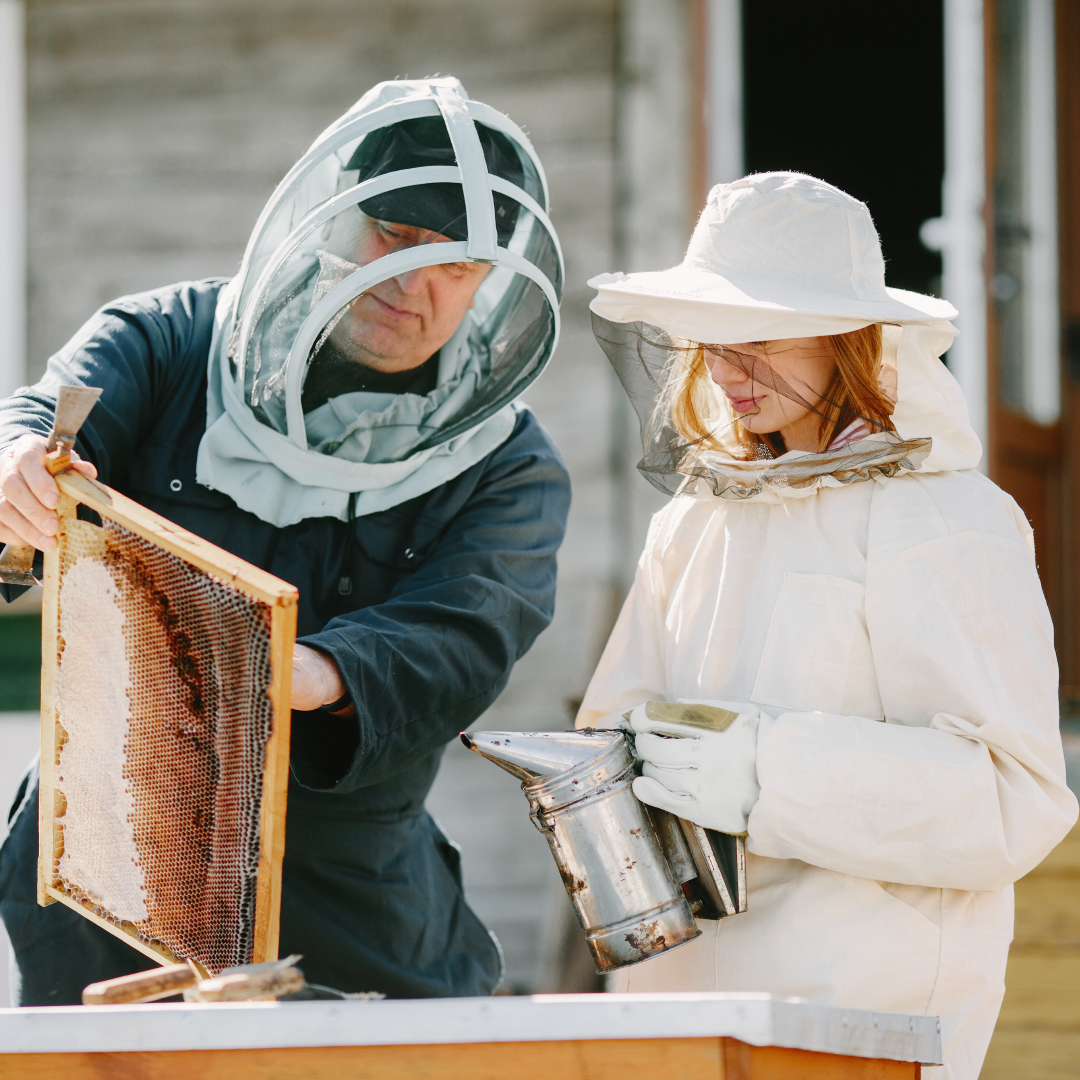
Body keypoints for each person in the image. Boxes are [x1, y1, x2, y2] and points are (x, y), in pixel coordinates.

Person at [0, 77, 570, 1004]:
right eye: (394, 235)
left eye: (454, 266)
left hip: (354, 902)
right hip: (105, 866)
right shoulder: (164, 343)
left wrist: (299, 670)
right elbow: (38, 425)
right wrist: (15, 461)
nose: (411, 283)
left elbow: (465, 635)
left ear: (494, 281)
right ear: (335, 216)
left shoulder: (510, 465)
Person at [577, 172, 1078, 1079]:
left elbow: (1015, 799)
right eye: (710, 342)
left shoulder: (945, 521)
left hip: (861, 1014)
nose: (725, 372)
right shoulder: (693, 520)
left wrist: (769, 772)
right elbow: (616, 732)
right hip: (679, 1009)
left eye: (757, 337)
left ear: (848, 337)